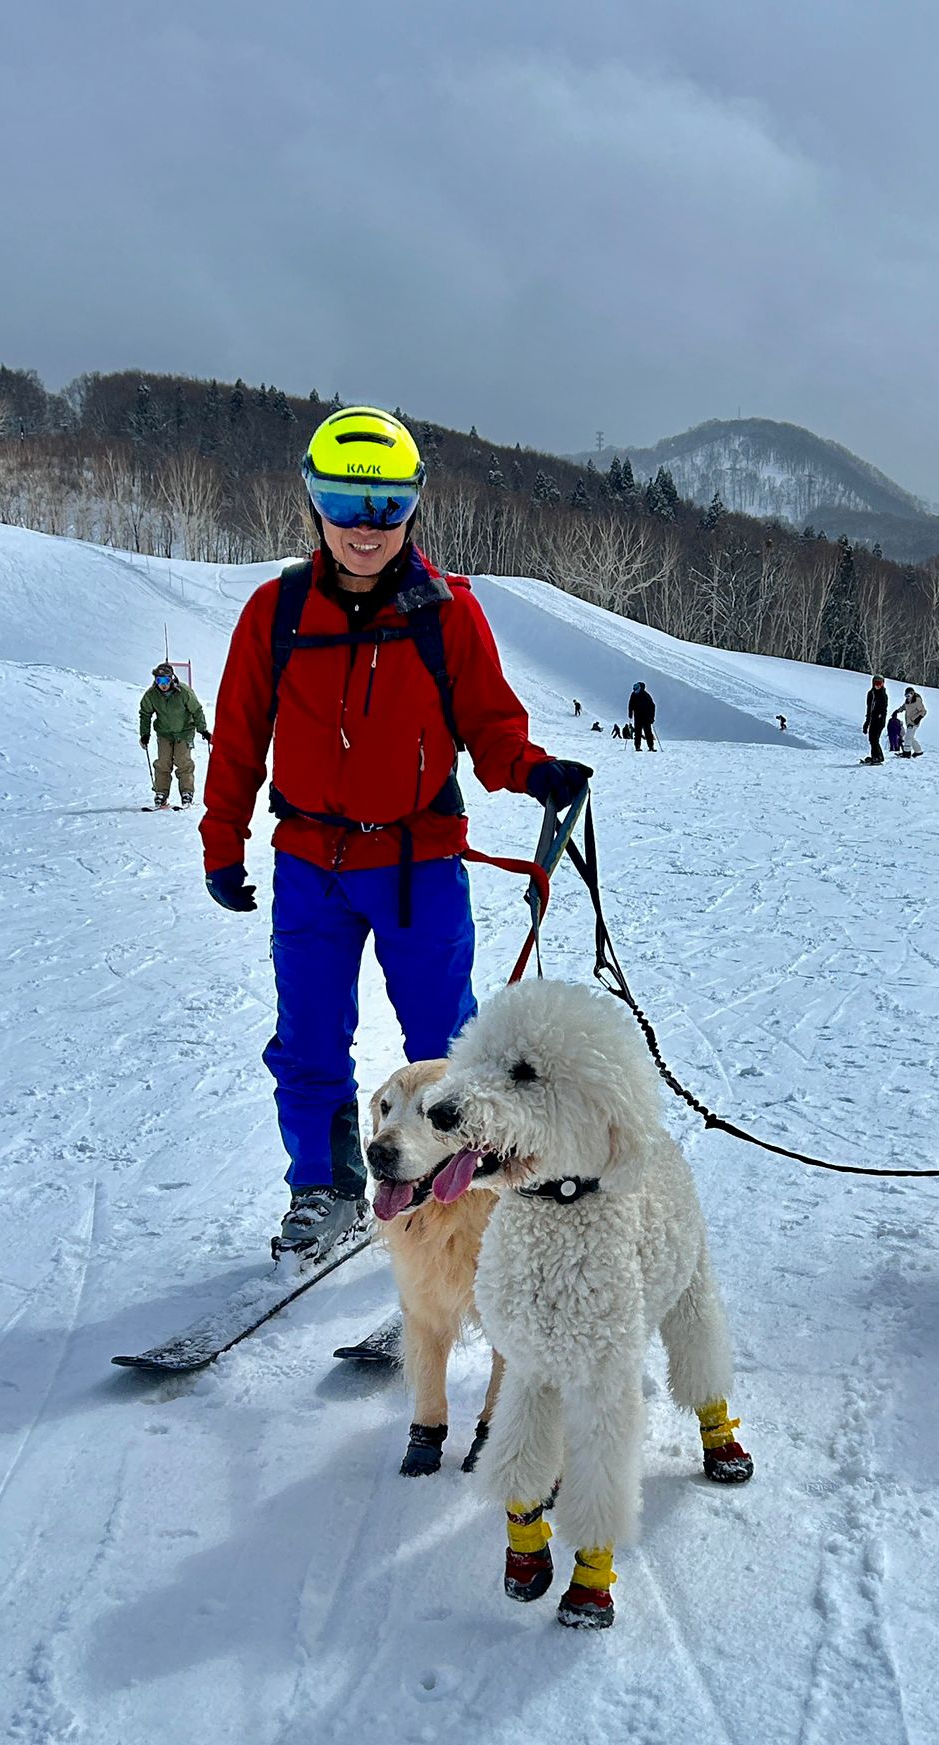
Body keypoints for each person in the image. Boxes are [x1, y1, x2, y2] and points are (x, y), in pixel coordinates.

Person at [200, 406, 591, 1261]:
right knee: (306, 1039)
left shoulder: (444, 614)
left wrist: (533, 771)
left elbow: (490, 727)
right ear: (314, 503)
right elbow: (236, 738)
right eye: (343, 502)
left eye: (384, 507)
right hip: (311, 863)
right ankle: (325, 1188)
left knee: (449, 1053)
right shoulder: (278, 612)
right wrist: (221, 843)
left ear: (411, 507)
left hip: (419, 866)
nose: (364, 528)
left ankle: (459, 1200)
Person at [139, 662, 210, 807]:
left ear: (171, 678)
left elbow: (197, 710)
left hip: (184, 732)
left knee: (183, 762)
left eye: (165, 680)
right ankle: (161, 793)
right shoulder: (151, 695)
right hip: (164, 733)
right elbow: (145, 714)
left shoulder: (184, 692)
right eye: (159, 680)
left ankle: (187, 792)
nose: (162, 684)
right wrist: (144, 734)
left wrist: (202, 729)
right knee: (163, 763)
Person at [862, 675, 888, 765]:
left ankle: (878, 757)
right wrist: (867, 723)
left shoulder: (883, 695)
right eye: (876, 683)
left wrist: (880, 717)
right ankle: (876, 756)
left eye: (879, 683)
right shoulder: (871, 694)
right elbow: (869, 709)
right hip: (872, 720)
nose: (877, 685)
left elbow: (883, 709)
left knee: (874, 739)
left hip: (879, 721)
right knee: (872, 739)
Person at [629, 680, 657, 752]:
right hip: (637, 716)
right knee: (638, 732)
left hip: (646, 717)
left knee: (648, 732)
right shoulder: (633, 695)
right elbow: (630, 704)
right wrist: (630, 713)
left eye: (636, 689)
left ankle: (651, 747)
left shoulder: (646, 695)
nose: (635, 691)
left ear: (640, 688)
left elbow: (652, 707)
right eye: (634, 689)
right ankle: (637, 747)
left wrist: (652, 717)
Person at [899, 686, 927, 757]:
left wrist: (918, 718)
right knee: (910, 737)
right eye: (906, 696)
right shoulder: (908, 701)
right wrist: (898, 710)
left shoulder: (917, 701)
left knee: (907, 737)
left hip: (914, 722)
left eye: (909, 695)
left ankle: (907, 753)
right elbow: (904, 706)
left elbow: (923, 711)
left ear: (912, 693)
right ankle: (918, 751)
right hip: (909, 721)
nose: (907, 697)